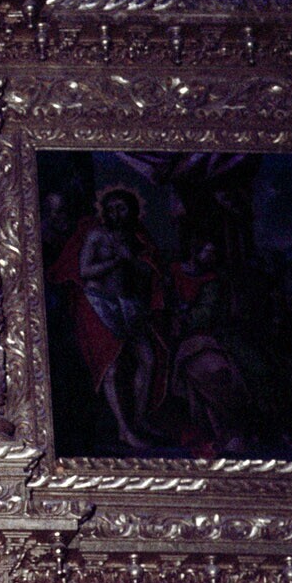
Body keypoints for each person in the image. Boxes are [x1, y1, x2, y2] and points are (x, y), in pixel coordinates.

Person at [50, 187, 168, 449]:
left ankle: (139, 419)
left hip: (128, 304)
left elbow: (148, 272)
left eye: (121, 208)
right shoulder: (97, 236)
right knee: (111, 366)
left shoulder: (137, 238)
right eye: (111, 208)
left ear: (132, 211)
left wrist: (139, 265)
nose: (116, 213)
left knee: (148, 359)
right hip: (100, 304)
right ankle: (124, 430)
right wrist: (117, 260)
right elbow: (85, 271)